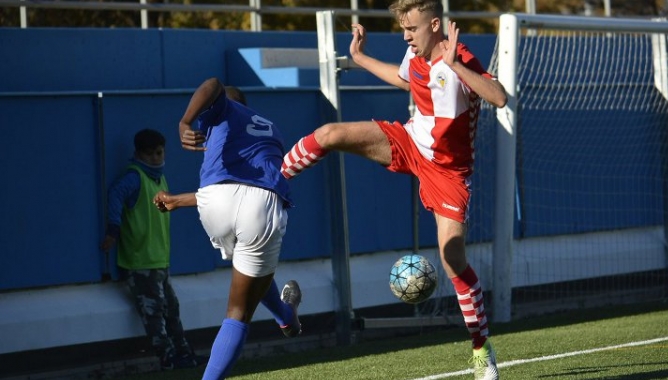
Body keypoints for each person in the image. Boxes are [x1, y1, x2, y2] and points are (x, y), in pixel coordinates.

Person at [280, 1, 507, 379]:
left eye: (412, 29)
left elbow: (498, 97)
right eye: (403, 28)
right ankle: (269, 183)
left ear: (435, 25)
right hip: (410, 140)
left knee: (452, 260)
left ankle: (482, 350)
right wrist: (360, 58)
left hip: (449, 173)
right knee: (329, 134)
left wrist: (455, 65)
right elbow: (406, 78)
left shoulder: (460, 57)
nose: (405, 36)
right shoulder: (414, 55)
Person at [153, 78, 300, 380]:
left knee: (247, 272)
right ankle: (288, 317)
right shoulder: (270, 127)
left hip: (215, 202)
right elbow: (250, 187)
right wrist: (178, 201)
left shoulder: (224, 109)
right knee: (238, 310)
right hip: (261, 204)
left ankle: (286, 316)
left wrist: (184, 122)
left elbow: (213, 84)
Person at [100, 128, 205, 370]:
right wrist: (113, 230)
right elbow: (115, 195)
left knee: (171, 309)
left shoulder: (158, 178)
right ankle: (168, 358)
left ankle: (183, 353)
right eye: (150, 154)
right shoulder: (134, 177)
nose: (156, 158)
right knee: (154, 313)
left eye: (159, 153)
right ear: (138, 154)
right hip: (140, 262)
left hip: (158, 259)